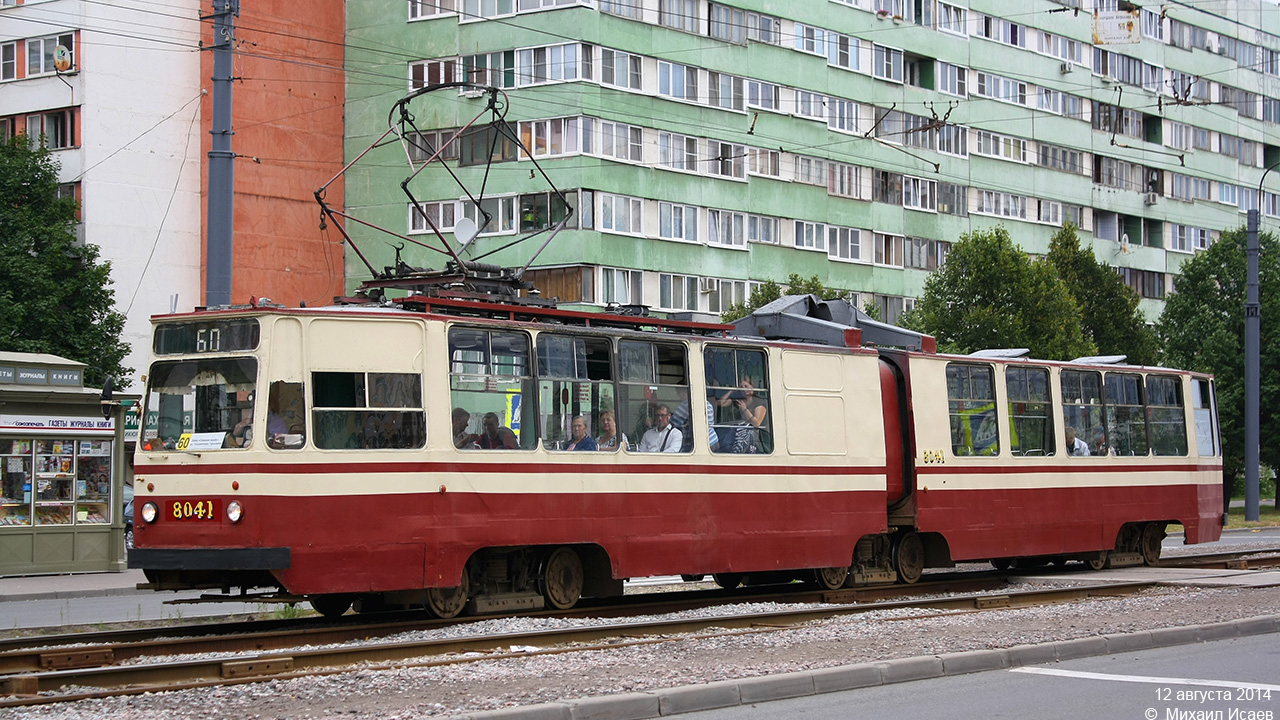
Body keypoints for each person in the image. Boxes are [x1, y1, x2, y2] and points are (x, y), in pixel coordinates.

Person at [718, 377, 767, 453]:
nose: (744, 389)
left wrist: (744, 409)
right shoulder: (738, 400)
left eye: (746, 386)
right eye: (741, 387)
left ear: (752, 387)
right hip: (735, 438)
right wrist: (732, 390)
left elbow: (756, 423)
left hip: (753, 441)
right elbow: (721, 403)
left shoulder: (759, 402)